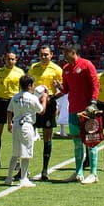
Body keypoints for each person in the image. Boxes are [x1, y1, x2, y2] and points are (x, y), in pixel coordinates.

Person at [59, 44, 100, 184]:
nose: (63, 56)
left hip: (87, 110)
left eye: (65, 53)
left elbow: (95, 84)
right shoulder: (65, 69)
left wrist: (93, 102)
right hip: (73, 110)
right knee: (77, 142)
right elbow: (66, 89)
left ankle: (93, 173)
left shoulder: (87, 65)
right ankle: (78, 172)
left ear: (73, 52)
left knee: (91, 141)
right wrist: (57, 88)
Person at [27, 45, 64, 181]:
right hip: (33, 105)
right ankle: (24, 169)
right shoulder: (33, 68)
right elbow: (28, 86)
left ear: (51, 55)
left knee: (47, 138)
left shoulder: (57, 70)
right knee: (27, 136)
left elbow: (64, 89)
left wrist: (52, 96)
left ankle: (44, 170)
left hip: (49, 106)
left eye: (46, 54)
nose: (44, 57)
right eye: (42, 54)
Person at [5, 74, 45, 186]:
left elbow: (9, 110)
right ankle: (23, 178)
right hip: (27, 125)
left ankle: (8, 177)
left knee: (15, 153)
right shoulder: (33, 98)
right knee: (26, 153)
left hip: (16, 124)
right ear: (30, 85)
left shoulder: (15, 96)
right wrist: (45, 99)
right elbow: (41, 111)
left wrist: (9, 123)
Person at [0, 50, 24, 170]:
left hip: (14, 104)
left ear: (16, 60)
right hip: (1, 103)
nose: (10, 61)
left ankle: (18, 161)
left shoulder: (20, 72)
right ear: (4, 59)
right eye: (8, 59)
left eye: (12, 59)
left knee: (16, 134)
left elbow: (23, 91)